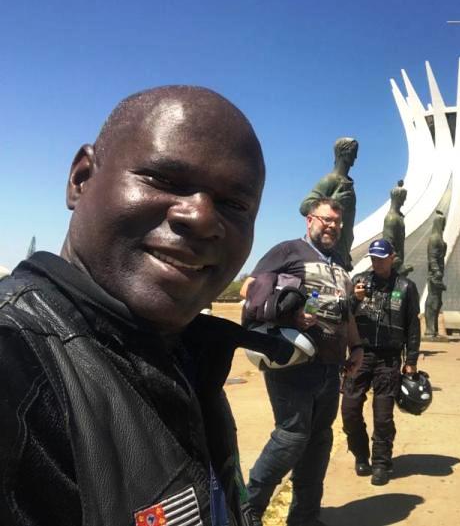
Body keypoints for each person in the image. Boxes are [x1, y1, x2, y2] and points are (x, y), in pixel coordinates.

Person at [0, 86, 289, 526]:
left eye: (234, 204)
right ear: (81, 179)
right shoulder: (16, 364)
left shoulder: (185, 351)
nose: (202, 218)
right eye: (164, 180)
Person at [242, 197, 364, 526]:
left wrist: (356, 347)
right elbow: (250, 289)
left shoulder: (340, 264)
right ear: (310, 220)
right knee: (292, 436)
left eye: (337, 223)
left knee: (319, 441)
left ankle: (305, 517)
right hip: (293, 362)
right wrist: (290, 313)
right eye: (326, 220)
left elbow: (347, 312)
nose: (332, 227)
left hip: (330, 366)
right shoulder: (288, 251)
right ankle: (247, 510)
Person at [341, 239, 421, 486]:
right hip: (360, 354)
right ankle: (360, 454)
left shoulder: (406, 287)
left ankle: (381, 463)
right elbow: (343, 314)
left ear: (392, 258)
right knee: (349, 409)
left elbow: (413, 326)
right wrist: (355, 300)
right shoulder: (359, 282)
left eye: (381, 258)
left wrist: (411, 360)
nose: (376, 263)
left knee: (383, 416)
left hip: (389, 358)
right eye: (373, 258)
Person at [299, 137, 358, 270]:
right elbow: (304, 207)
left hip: (342, 252)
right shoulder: (330, 180)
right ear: (342, 153)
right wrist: (333, 201)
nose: (355, 157)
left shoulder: (349, 185)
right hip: (328, 252)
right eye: (352, 152)